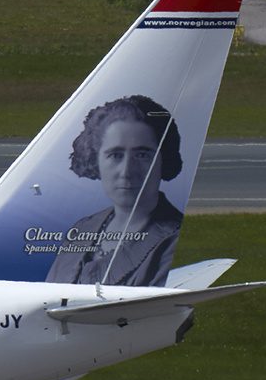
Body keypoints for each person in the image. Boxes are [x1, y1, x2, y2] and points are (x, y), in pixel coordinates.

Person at [46, 95, 185, 287]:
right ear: (96, 160)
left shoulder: (174, 242)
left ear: (164, 160)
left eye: (142, 155)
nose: (126, 172)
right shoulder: (82, 230)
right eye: (115, 155)